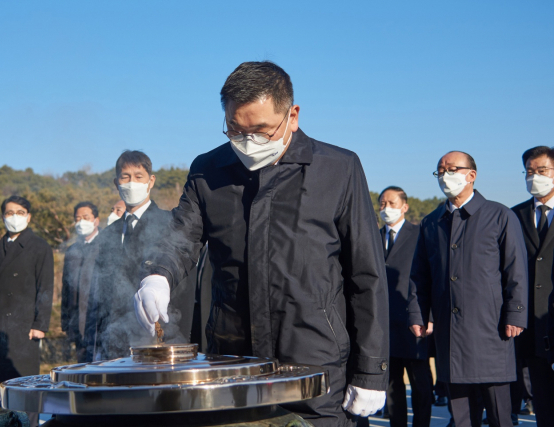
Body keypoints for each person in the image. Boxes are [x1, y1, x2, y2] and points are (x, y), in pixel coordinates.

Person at [133, 61, 389, 426]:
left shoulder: (338, 169)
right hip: (232, 361)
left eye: (262, 130)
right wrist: (158, 275)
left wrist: (371, 372)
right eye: (235, 130)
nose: (248, 142)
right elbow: (182, 236)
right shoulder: (209, 171)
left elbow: (367, 275)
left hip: (314, 362)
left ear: (293, 115)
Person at [408, 151, 528, 427]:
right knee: (460, 417)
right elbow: (419, 276)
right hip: (450, 334)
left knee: (499, 414)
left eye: (452, 169)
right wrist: (418, 313)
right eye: (440, 171)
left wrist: (516, 313)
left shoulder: (500, 215)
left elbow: (516, 270)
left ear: (471, 175)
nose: (445, 175)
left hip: (491, 330)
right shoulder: (431, 222)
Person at [84, 150, 194, 360]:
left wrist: (178, 336)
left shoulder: (170, 223)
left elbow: (184, 285)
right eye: (125, 177)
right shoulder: (108, 234)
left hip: (158, 339)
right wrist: (95, 343)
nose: (131, 183)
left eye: (138, 176)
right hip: (115, 340)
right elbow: (99, 289)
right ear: (116, 183)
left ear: (151, 181)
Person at [0, 195, 54, 427]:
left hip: (25, 326)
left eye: (20, 212)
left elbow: (46, 287)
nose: (15, 217)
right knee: (4, 388)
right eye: (10, 212)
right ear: (3, 216)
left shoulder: (39, 246)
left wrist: (40, 324)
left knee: (26, 385)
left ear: (29, 216)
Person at [379, 186, 433, 427]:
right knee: (392, 386)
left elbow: (428, 277)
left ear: (404, 206)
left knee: (421, 385)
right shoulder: (373, 235)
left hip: (414, 322)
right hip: (384, 325)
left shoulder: (419, 234)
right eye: (382, 204)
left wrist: (427, 314)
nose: (386, 208)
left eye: (391, 203)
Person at [511, 146, 554, 426]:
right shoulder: (514, 215)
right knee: (544, 404)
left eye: (541, 171)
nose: (534, 176)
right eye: (529, 171)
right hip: (530, 328)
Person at [61, 201, 101, 362]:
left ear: (96, 220)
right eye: (78, 218)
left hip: (99, 322)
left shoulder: (106, 245)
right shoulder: (72, 250)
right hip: (78, 323)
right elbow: (66, 289)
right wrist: (66, 322)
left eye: (86, 217)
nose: (81, 222)